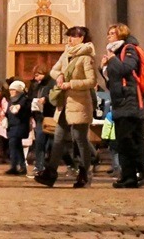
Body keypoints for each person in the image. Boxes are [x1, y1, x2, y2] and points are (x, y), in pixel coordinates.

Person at [35, 26, 98, 188]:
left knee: (80, 139)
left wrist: (71, 84)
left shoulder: (86, 57)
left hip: (79, 104)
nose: (69, 40)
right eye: (68, 36)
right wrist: (60, 75)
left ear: (82, 38)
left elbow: (91, 81)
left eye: (73, 36)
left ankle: (85, 173)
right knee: (58, 137)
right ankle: (50, 173)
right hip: (64, 104)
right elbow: (53, 71)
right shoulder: (66, 54)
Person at [102, 22, 144, 188]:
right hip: (120, 101)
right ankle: (127, 175)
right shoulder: (115, 52)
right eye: (108, 33)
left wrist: (112, 60)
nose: (108, 36)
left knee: (129, 140)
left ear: (120, 34)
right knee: (123, 142)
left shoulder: (128, 49)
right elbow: (113, 82)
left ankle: (140, 172)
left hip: (129, 101)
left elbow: (127, 69)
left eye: (112, 33)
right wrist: (104, 68)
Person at [4, 79, 32, 175]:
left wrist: (19, 109)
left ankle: (14, 166)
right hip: (12, 125)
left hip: (19, 125)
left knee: (13, 144)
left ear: (18, 91)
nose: (11, 92)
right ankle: (22, 166)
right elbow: (8, 112)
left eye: (13, 90)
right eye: (10, 90)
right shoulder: (11, 100)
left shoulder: (24, 100)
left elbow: (26, 112)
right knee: (17, 146)